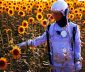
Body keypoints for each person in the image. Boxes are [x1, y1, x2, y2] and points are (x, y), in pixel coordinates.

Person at [17, 0, 82, 72]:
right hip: (56, 65)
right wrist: (26, 44)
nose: (54, 16)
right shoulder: (51, 28)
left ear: (65, 13)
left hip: (70, 65)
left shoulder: (73, 28)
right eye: (53, 13)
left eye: (57, 14)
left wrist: (77, 60)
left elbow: (77, 45)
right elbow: (40, 40)